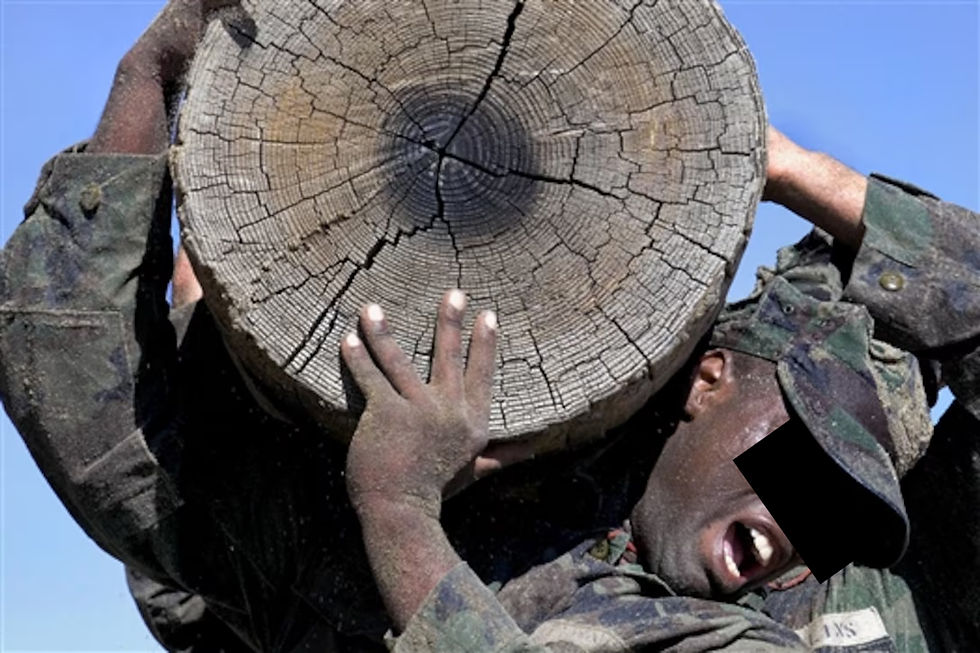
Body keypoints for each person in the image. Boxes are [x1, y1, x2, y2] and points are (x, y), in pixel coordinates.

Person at [1, 1, 976, 651]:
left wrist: (397, 512)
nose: (795, 532)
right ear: (705, 378)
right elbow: (94, 407)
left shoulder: (828, 615)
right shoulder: (423, 500)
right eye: (797, 471)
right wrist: (154, 71)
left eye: (836, 522)